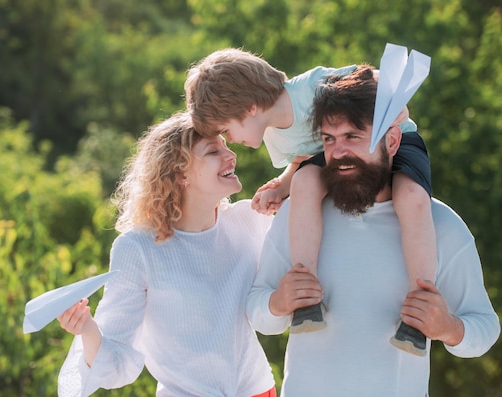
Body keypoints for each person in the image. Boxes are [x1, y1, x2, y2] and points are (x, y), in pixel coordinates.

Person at [245, 65, 501, 396]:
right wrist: (278, 303)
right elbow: (257, 312)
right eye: (329, 139)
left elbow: (484, 328)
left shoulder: (441, 225)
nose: (338, 152)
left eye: (353, 137)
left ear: (393, 140)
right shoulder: (299, 214)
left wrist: (449, 328)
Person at [185, 48, 436, 354]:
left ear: (249, 108)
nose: (230, 139)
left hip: (392, 141)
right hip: (340, 157)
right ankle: (307, 291)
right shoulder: (274, 138)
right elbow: (305, 158)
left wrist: (391, 112)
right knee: (304, 182)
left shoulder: (316, 87)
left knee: (411, 196)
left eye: (226, 130)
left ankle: (420, 307)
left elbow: (382, 80)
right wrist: (281, 187)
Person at [56, 111, 276, 397]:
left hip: (259, 391)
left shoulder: (249, 219)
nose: (230, 155)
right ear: (181, 173)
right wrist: (86, 328)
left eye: (226, 145)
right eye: (213, 150)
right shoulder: (138, 248)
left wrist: (284, 185)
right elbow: (117, 356)